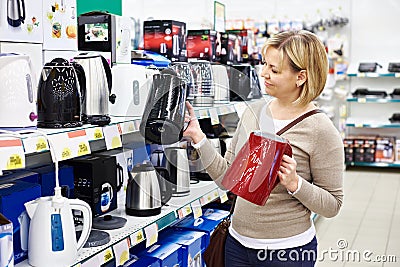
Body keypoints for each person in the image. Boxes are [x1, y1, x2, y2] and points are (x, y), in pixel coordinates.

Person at [183, 30, 344, 267]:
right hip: (236, 246)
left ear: (301, 77)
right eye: (264, 64)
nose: (263, 74)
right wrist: (198, 137)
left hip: (287, 252)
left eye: (274, 70)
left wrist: (295, 184)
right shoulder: (253, 111)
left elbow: (332, 205)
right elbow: (227, 179)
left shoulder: (320, 129)